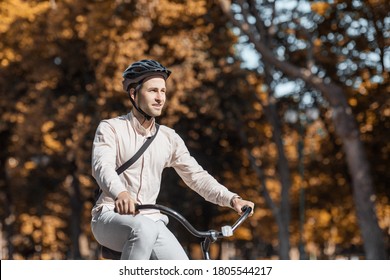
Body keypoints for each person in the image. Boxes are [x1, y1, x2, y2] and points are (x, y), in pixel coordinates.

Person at [91, 59, 255, 260]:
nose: (160, 98)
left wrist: (232, 199)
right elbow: (102, 167)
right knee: (143, 229)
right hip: (110, 215)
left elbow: (196, 176)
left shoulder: (169, 138)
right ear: (133, 94)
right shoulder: (111, 128)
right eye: (153, 91)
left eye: (163, 91)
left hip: (152, 219)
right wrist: (120, 193)